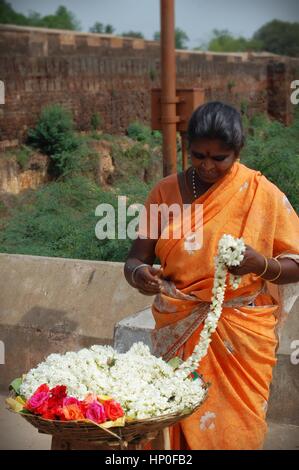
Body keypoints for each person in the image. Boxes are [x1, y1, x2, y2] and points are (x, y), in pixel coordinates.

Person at [124, 101, 299, 450]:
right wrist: (141, 274)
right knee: (173, 424)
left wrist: (259, 265)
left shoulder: (259, 194)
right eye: (198, 155)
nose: (207, 166)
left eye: (219, 158)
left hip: (241, 335)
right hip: (178, 324)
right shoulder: (165, 193)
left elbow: (296, 262)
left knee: (236, 431)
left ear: (237, 152)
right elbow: (134, 260)